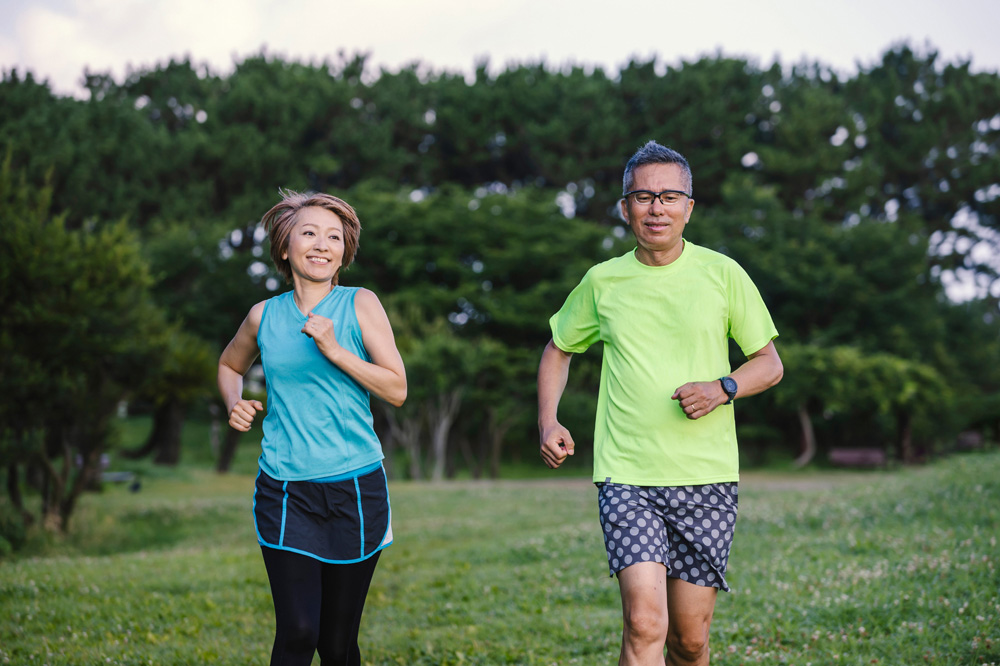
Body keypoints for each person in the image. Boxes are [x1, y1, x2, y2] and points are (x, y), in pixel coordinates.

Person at [537, 141, 783, 666]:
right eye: (643, 196)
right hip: (627, 474)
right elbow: (559, 348)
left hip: (707, 477)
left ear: (689, 207)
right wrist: (548, 419)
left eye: (669, 196)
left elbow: (769, 362)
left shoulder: (723, 274)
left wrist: (722, 388)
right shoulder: (603, 281)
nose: (656, 208)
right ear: (625, 207)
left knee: (689, 642)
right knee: (645, 622)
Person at [218, 190, 406, 666]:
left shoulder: (360, 304)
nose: (322, 244)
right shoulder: (264, 316)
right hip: (285, 489)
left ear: (344, 251)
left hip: (356, 489)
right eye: (309, 233)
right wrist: (234, 402)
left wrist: (336, 349)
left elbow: (397, 388)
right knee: (299, 633)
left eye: (334, 237)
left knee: (337, 645)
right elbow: (229, 365)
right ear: (285, 248)